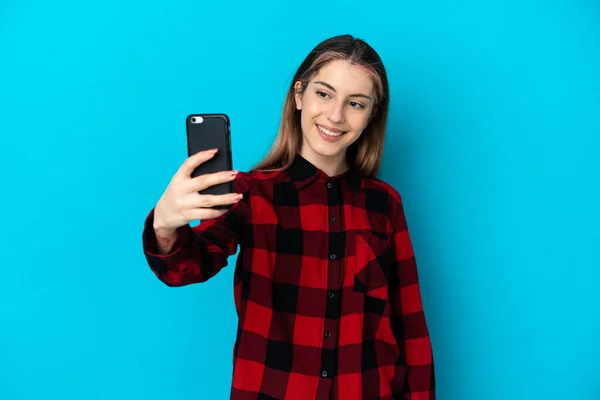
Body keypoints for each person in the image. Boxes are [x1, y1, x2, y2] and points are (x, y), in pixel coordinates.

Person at [142, 34, 435, 400]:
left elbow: (410, 327)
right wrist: (165, 224)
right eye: (324, 94)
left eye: (355, 103)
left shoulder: (385, 204)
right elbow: (188, 266)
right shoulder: (248, 194)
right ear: (299, 95)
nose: (335, 115)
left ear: (371, 115)